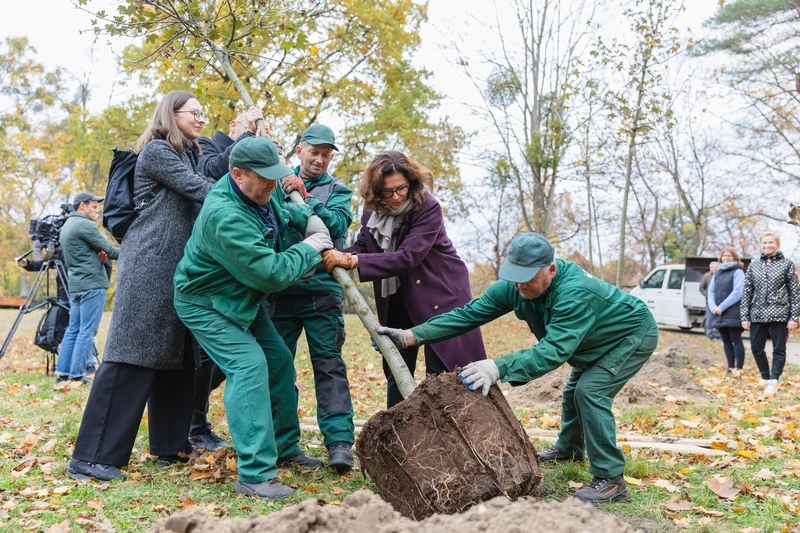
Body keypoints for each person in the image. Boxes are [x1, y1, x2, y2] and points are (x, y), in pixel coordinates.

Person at [375, 232, 659, 504]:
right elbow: (469, 314)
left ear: (550, 270)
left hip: (630, 335)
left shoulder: (574, 293)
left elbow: (553, 351)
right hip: (593, 339)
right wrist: (412, 336)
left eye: (527, 279)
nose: (520, 286)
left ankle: (610, 480)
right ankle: (569, 449)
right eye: (515, 278)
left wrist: (497, 366)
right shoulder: (514, 287)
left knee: (589, 391)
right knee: (574, 392)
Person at [67, 91, 217, 482]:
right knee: (131, 356)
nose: (201, 118)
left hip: (176, 269)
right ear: (171, 114)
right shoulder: (158, 152)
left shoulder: (189, 154)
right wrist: (248, 191)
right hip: (150, 265)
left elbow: (211, 171)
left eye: (203, 113)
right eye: (194, 112)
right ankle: (91, 457)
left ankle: (170, 445)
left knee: (176, 357)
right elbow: (201, 189)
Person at [174, 136, 333, 500]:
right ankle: (255, 474)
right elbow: (271, 274)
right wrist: (310, 247)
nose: (272, 185)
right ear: (237, 174)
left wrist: (308, 218)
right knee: (248, 365)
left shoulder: (260, 189)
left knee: (278, 362)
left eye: (275, 177)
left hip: (239, 298)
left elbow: (281, 210)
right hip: (206, 302)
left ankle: (285, 447)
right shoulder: (225, 216)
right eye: (264, 178)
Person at [322, 150, 486, 408]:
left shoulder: (427, 207)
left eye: (401, 188)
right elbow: (363, 246)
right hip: (397, 296)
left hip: (440, 293)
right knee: (397, 368)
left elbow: (407, 257)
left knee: (443, 373)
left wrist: (352, 260)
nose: (396, 196)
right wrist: (333, 255)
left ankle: (446, 427)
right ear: (376, 191)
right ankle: (397, 427)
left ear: (412, 182)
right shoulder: (372, 211)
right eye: (388, 191)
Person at [269, 124, 355, 473]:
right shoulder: (276, 182)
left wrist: (304, 197)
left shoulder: (338, 190)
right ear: (299, 150)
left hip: (323, 292)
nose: (319, 159)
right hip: (281, 291)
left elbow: (335, 227)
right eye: (314, 152)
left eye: (326, 154)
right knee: (278, 367)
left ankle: (339, 444)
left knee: (329, 365)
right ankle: (284, 446)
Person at [188, 106, 266, 452]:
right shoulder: (207, 145)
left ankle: (191, 417)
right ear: (233, 125)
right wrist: (246, 138)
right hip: (206, 273)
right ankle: (194, 424)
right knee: (207, 360)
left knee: (221, 363)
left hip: (233, 272)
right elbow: (213, 171)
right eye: (245, 127)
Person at [53, 193, 120, 384]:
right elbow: (110, 250)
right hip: (92, 284)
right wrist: (135, 251)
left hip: (76, 285)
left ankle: (62, 374)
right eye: (94, 206)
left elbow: (84, 254)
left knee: (73, 329)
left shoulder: (67, 225)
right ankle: (77, 375)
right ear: (82, 206)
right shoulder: (84, 225)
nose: (97, 211)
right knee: (87, 331)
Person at [19, 246, 113, 376]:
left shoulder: (87, 243)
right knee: (72, 329)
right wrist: (28, 264)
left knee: (85, 328)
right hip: (65, 294)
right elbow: (48, 262)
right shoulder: (63, 245)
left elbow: (107, 264)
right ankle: (67, 368)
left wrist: (101, 286)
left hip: (84, 290)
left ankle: (89, 363)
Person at [741, 231, 800, 396]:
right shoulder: (754, 265)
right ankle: (765, 376)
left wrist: (794, 317)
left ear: (777, 245)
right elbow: (747, 291)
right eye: (765, 243)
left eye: (771, 243)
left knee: (779, 349)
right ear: (761, 245)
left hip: (780, 313)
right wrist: (744, 316)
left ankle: (774, 380)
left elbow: (795, 292)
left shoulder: (787, 264)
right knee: (756, 347)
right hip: (757, 313)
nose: (767, 245)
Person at [708, 249, 745, 377]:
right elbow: (711, 291)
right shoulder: (717, 273)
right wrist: (713, 306)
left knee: (736, 339)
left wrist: (722, 307)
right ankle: (730, 367)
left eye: (729, 255)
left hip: (733, 311)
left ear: (735, 258)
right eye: (724, 255)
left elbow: (738, 292)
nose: (726, 257)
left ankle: (739, 368)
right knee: (726, 340)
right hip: (718, 312)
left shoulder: (738, 272)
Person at [700, 261, 721, 340]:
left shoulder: (721, 275)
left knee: (719, 319)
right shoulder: (706, 276)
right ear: (710, 268)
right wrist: (708, 296)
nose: (714, 269)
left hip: (719, 301)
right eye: (713, 267)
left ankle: (718, 335)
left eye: (716, 267)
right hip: (709, 302)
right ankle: (709, 335)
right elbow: (701, 288)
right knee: (709, 318)